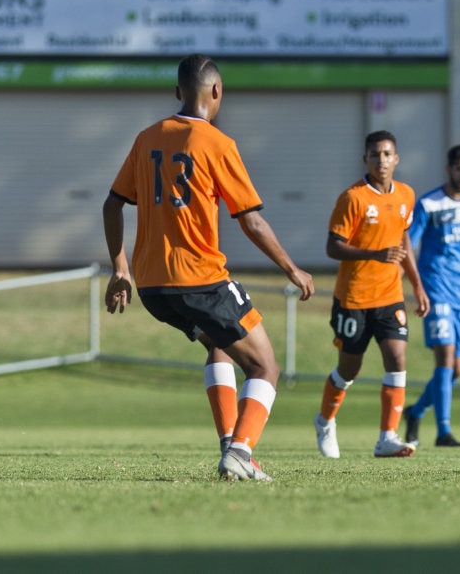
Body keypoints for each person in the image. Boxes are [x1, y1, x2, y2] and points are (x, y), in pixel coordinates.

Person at [102, 53, 314, 482]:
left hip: (153, 287)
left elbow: (113, 204)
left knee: (221, 345)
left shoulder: (147, 138)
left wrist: (120, 266)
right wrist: (293, 268)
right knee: (264, 367)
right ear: (217, 92)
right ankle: (240, 452)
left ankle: (231, 446)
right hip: (199, 278)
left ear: (177, 92)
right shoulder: (218, 144)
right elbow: (251, 220)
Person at [313, 130, 430, 459]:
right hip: (353, 298)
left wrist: (417, 286)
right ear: (365, 158)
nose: (381, 160)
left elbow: (404, 241)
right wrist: (374, 254)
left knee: (397, 358)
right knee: (349, 369)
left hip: (390, 296)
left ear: (397, 159)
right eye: (375, 154)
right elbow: (332, 247)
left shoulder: (406, 194)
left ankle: (387, 437)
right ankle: (324, 421)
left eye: (387, 154)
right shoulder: (353, 198)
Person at [402, 144, 460, 448]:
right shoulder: (429, 204)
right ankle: (443, 431)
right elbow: (409, 246)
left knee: (457, 368)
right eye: (459, 169)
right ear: (449, 169)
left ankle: (415, 412)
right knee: (444, 359)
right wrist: (416, 286)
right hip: (437, 290)